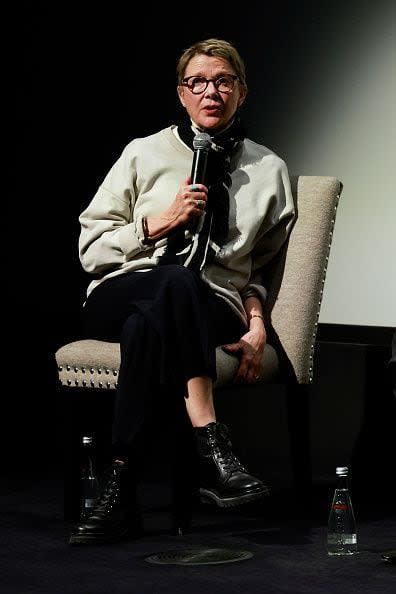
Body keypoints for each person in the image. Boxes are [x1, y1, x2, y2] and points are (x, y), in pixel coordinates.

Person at [69, 38, 296, 545]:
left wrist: (258, 325)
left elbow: (261, 268)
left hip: (214, 306)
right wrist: (158, 223)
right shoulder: (142, 152)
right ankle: (210, 440)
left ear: (242, 92)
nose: (210, 91)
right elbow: (91, 251)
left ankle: (119, 491)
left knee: (149, 324)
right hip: (123, 288)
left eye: (223, 81)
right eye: (198, 82)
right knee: (169, 284)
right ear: (181, 93)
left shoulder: (269, 171)